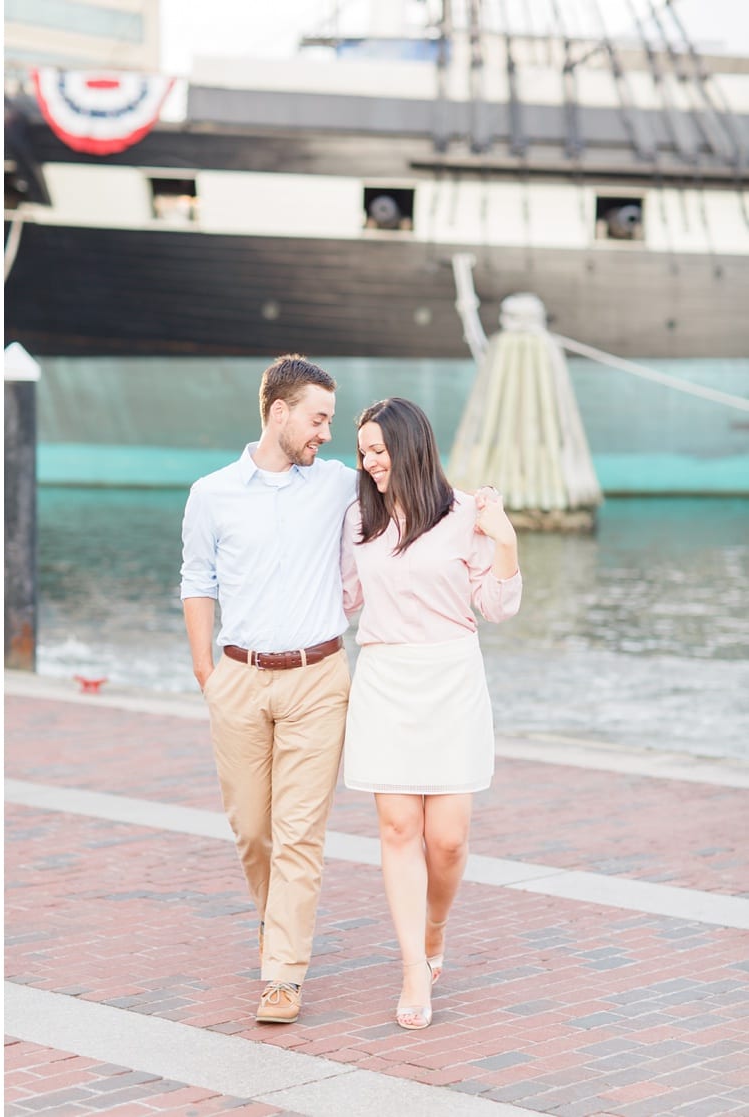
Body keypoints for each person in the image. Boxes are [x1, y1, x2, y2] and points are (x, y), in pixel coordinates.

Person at [181, 354, 359, 1025]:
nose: (326, 433)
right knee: (252, 830)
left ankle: (282, 972)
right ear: (279, 413)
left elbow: (402, 487)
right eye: (318, 419)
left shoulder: (339, 482)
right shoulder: (212, 493)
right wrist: (207, 672)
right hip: (240, 679)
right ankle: (274, 922)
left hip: (320, 678)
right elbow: (197, 580)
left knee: (298, 835)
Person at [340, 397, 521, 1030]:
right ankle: (414, 966)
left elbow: (496, 606)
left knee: (447, 840)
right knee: (397, 829)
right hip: (385, 677)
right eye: (362, 452)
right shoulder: (358, 520)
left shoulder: (467, 513)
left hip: (451, 678)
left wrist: (506, 542)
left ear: (412, 448)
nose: (368, 463)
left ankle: (435, 927)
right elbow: (343, 598)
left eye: (378, 451)